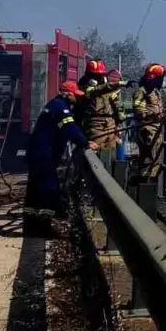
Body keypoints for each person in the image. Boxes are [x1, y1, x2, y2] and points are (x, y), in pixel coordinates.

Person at [25, 81, 98, 229]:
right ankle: (43, 227)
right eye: (74, 95)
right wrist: (86, 143)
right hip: (44, 155)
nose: (76, 99)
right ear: (67, 93)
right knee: (49, 188)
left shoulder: (54, 104)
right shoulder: (60, 107)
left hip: (39, 153)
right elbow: (70, 128)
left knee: (34, 189)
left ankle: (31, 225)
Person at [131, 63, 166, 182]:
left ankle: (152, 179)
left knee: (157, 155)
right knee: (148, 155)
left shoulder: (155, 92)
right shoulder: (141, 91)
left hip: (156, 126)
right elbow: (137, 110)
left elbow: (156, 107)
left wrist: (161, 114)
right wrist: (152, 114)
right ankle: (143, 181)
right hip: (146, 127)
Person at [79, 59, 121, 152]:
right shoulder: (84, 87)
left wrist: (119, 118)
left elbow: (115, 102)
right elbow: (95, 91)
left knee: (111, 152)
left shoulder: (106, 89)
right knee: (95, 152)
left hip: (110, 125)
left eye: (100, 76)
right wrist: (118, 83)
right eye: (96, 76)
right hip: (95, 125)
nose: (99, 78)